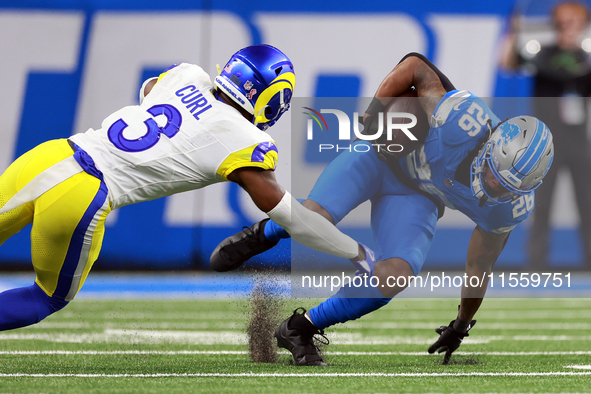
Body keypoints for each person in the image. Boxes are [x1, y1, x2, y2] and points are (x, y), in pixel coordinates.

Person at [0, 44, 377, 331]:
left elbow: (150, 90)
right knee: (46, 297)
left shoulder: (187, 75)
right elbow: (293, 219)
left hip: (48, 157)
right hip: (82, 195)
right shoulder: (244, 140)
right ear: (270, 98)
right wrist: (355, 251)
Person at [210, 52, 555, 366]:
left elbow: (479, 265)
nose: (495, 186)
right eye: (495, 174)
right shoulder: (461, 119)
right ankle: (265, 232)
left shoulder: (510, 207)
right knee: (315, 219)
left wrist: (461, 325)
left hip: (417, 197)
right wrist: (376, 112)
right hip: (379, 159)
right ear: (492, 145)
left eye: (507, 186)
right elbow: (416, 66)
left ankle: (300, 327)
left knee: (396, 273)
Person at [500, 0, 591, 268]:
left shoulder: (585, 58)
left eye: (576, 21)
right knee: (542, 206)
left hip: (578, 142)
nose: (571, 27)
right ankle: (537, 263)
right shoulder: (543, 54)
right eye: (565, 21)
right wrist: (513, 32)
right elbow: (507, 63)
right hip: (546, 145)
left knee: (587, 204)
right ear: (556, 24)